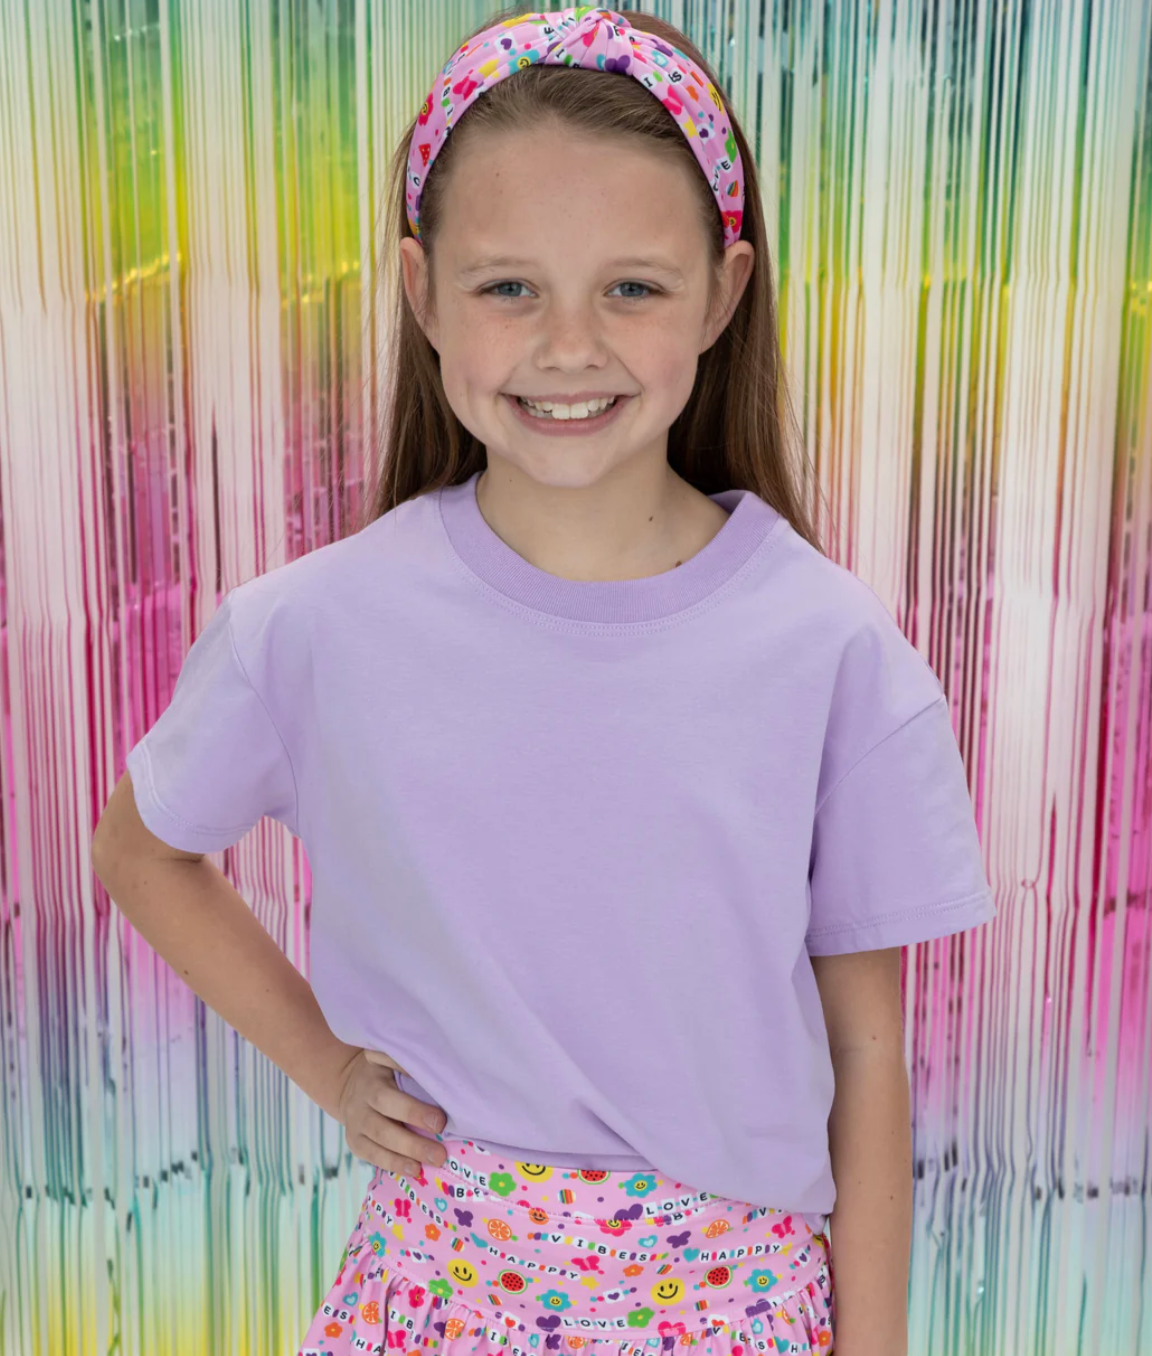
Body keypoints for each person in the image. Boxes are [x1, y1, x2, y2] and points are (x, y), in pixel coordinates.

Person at [90, 7, 998, 1355]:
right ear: (420, 292)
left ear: (723, 294)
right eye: (508, 287)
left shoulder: (831, 652)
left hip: (736, 1315)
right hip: (433, 1304)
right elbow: (141, 849)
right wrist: (327, 1069)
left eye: (632, 288)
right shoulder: (319, 626)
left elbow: (867, 1053)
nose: (569, 346)